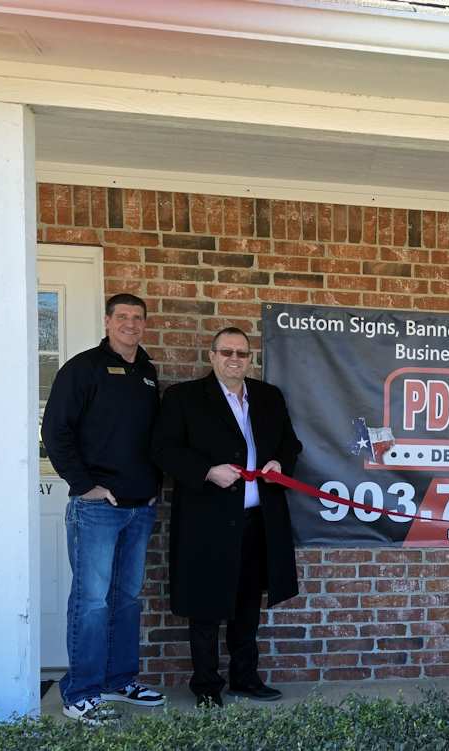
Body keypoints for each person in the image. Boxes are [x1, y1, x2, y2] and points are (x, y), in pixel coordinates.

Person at [152, 326, 302, 708]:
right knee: (204, 606)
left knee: (247, 606)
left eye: (242, 354)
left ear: (250, 359)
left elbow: (290, 442)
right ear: (212, 356)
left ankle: (245, 678)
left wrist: (278, 461)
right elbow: (164, 450)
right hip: (207, 521)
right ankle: (205, 686)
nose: (234, 359)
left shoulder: (268, 397)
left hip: (257, 520)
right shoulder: (184, 397)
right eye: (226, 352)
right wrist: (206, 471)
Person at [41, 293, 165, 724]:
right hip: (97, 508)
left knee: (127, 599)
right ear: (108, 321)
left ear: (145, 324)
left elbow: (154, 439)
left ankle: (118, 680)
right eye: (123, 317)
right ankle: (81, 690)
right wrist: (85, 485)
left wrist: (153, 488)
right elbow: (55, 431)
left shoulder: (147, 374)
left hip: (139, 508)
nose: (131, 324)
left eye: (138, 318)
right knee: (92, 602)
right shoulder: (83, 368)